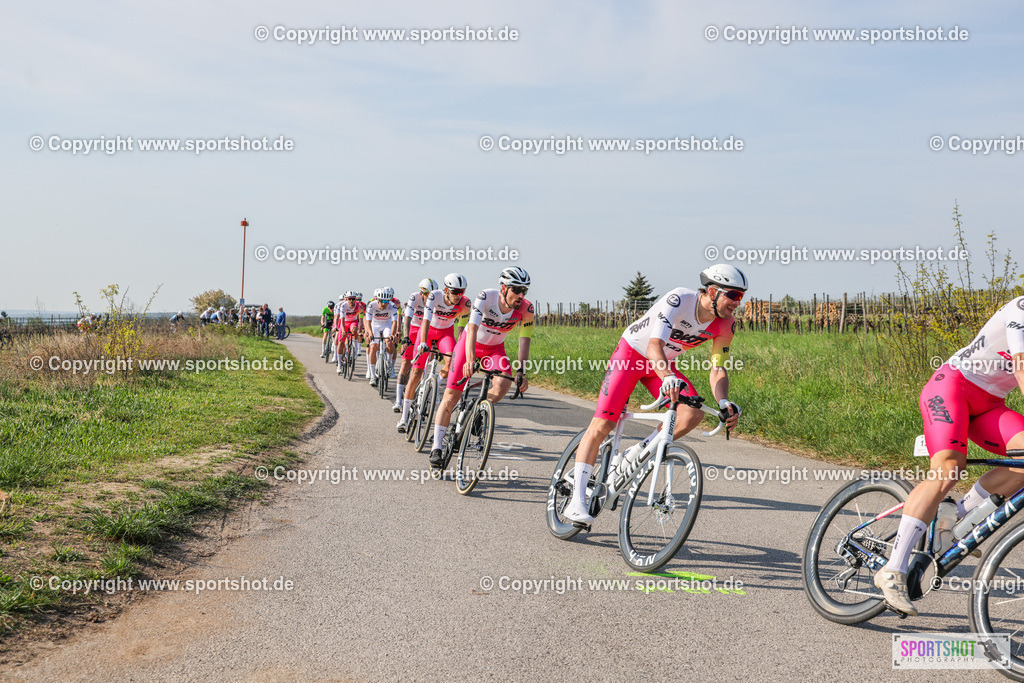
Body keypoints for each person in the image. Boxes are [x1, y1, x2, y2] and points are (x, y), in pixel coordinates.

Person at [874, 296, 1024, 616]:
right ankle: (893, 570)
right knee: (948, 469)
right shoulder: (1020, 309)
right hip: (952, 387)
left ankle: (955, 517)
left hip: (990, 405)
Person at [561, 264, 746, 525]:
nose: (738, 302)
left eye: (741, 296)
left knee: (692, 413)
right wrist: (667, 376)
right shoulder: (679, 299)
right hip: (632, 356)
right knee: (604, 423)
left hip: (661, 363)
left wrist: (724, 401)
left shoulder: (725, 325)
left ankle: (637, 452)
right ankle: (576, 502)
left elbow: (717, 368)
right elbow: (653, 344)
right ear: (713, 291)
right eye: (733, 295)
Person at [429, 267, 533, 468]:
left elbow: (524, 340)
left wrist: (521, 372)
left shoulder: (527, 310)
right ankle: (436, 447)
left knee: (503, 384)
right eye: (516, 289)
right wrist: (469, 360)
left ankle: (477, 408)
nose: (521, 295)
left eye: (524, 291)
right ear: (503, 288)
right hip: (470, 344)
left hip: (495, 350)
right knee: (452, 395)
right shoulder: (486, 297)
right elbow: (473, 328)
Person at [398, 273, 470, 432]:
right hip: (428, 332)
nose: (458, 295)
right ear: (446, 290)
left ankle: (436, 383)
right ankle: (404, 417)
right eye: (455, 291)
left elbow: (461, 330)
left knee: (452, 359)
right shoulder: (434, 296)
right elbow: (426, 321)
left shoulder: (465, 303)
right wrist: (422, 341)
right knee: (416, 373)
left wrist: (460, 349)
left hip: (445, 334)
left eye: (461, 292)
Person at [393, 279, 437, 414]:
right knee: (406, 364)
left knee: (429, 363)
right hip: (413, 330)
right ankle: (398, 400)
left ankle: (424, 391)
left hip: (427, 332)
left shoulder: (436, 299)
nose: (428, 298)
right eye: (426, 294)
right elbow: (407, 318)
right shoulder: (414, 298)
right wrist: (406, 337)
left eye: (431, 295)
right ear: (421, 293)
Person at [363, 288, 399, 387]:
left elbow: (394, 322)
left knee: (389, 342)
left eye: (386, 301)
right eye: (382, 301)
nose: (384, 304)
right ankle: (373, 375)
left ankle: (389, 364)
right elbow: (368, 322)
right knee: (373, 347)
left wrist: (392, 334)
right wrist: (370, 333)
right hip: (375, 326)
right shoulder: (371, 305)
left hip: (386, 325)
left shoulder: (392, 306)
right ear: (377, 299)